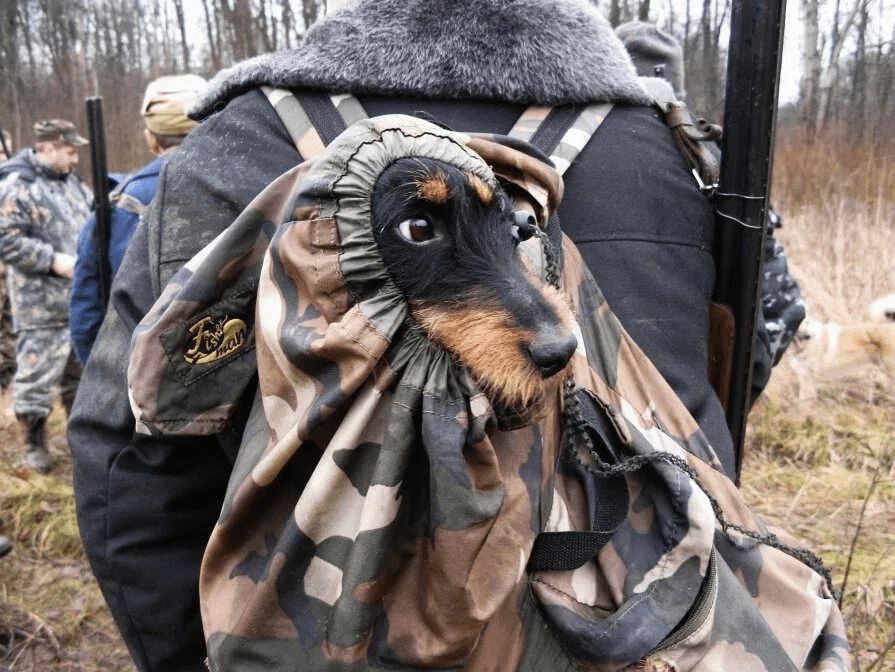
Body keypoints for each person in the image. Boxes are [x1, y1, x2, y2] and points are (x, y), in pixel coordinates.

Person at [68, 3, 737, 670]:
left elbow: (128, 452)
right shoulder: (667, 151)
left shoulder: (233, 141)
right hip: (638, 628)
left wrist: (197, 655)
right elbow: (714, 389)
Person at [615, 20, 807, 405]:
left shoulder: (568, 157)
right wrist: (727, 401)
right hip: (692, 410)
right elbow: (781, 306)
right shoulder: (712, 165)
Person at [70, 74, 206, 363]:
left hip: (140, 374)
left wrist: (99, 377)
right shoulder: (257, 185)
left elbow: (87, 313)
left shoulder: (117, 207)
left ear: (151, 138)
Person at [0, 119, 91, 474]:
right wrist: (53, 261)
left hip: (77, 302)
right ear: (49, 148)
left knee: (80, 378)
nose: (75, 159)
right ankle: (33, 445)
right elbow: (5, 240)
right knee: (36, 379)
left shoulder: (73, 184)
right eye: (69, 152)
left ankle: (80, 439)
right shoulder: (17, 187)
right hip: (39, 307)